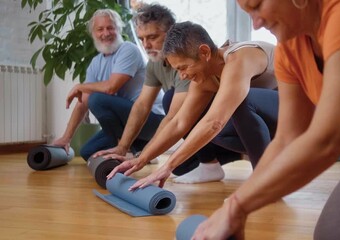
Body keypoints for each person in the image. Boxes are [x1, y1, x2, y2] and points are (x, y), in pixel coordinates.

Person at [190, 0, 340, 239]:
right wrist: (232, 208)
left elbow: (329, 139)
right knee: (334, 235)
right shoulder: (290, 50)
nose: (256, 23)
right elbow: (286, 140)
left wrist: (239, 206)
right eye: (248, 12)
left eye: (258, 5)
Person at [108, 21, 278, 189]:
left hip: (298, 116)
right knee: (202, 121)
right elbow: (179, 123)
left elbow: (214, 122)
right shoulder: (205, 79)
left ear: (204, 52)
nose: (181, 76)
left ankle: (264, 182)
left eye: (183, 68)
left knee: (237, 106)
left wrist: (168, 166)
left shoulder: (238, 59)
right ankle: (227, 165)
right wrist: (141, 159)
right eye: (177, 70)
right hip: (272, 122)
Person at [94, 4, 242, 183]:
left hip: (227, 121)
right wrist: (124, 148)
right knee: (181, 167)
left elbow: (175, 118)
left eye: (152, 37)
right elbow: (142, 105)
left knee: (170, 98)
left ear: (171, 32)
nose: (146, 45)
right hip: (213, 128)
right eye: (141, 39)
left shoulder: (193, 65)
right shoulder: (154, 64)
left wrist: (144, 158)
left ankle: (213, 162)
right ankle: (223, 159)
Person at [52, 9, 164, 161]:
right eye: (100, 29)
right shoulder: (95, 63)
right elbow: (82, 102)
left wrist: (80, 86)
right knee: (88, 152)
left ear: (118, 29)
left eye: (110, 27)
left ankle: (127, 148)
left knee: (97, 99)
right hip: (127, 123)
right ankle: (138, 150)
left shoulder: (128, 49)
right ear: (93, 33)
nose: (106, 33)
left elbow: (111, 87)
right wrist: (66, 138)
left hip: (150, 120)